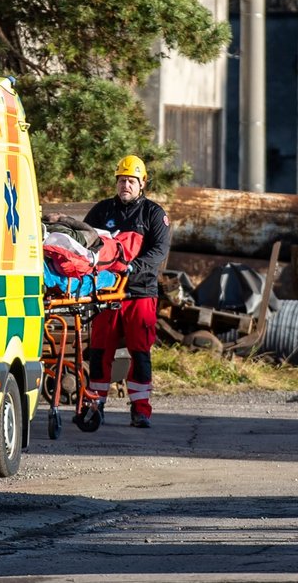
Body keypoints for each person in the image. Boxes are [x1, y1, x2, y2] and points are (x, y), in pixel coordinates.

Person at [83, 155, 170, 429]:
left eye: (131, 180)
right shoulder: (101, 212)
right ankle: (95, 404)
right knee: (99, 350)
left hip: (140, 292)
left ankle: (141, 409)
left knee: (140, 351)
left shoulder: (154, 215)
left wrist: (133, 268)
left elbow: (158, 252)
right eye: (122, 180)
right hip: (106, 294)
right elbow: (84, 244)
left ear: (143, 183)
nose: (126, 185)